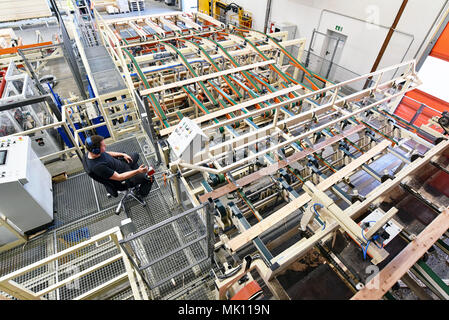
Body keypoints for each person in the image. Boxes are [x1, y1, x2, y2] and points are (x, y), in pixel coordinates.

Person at [84, 135, 153, 198]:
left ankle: (138, 176)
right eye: (103, 145)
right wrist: (137, 171)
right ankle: (141, 194)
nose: (105, 145)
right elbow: (119, 177)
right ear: (96, 150)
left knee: (135, 155)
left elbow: (107, 153)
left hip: (121, 164)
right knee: (149, 178)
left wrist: (122, 155)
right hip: (123, 179)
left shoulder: (92, 153)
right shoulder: (98, 167)